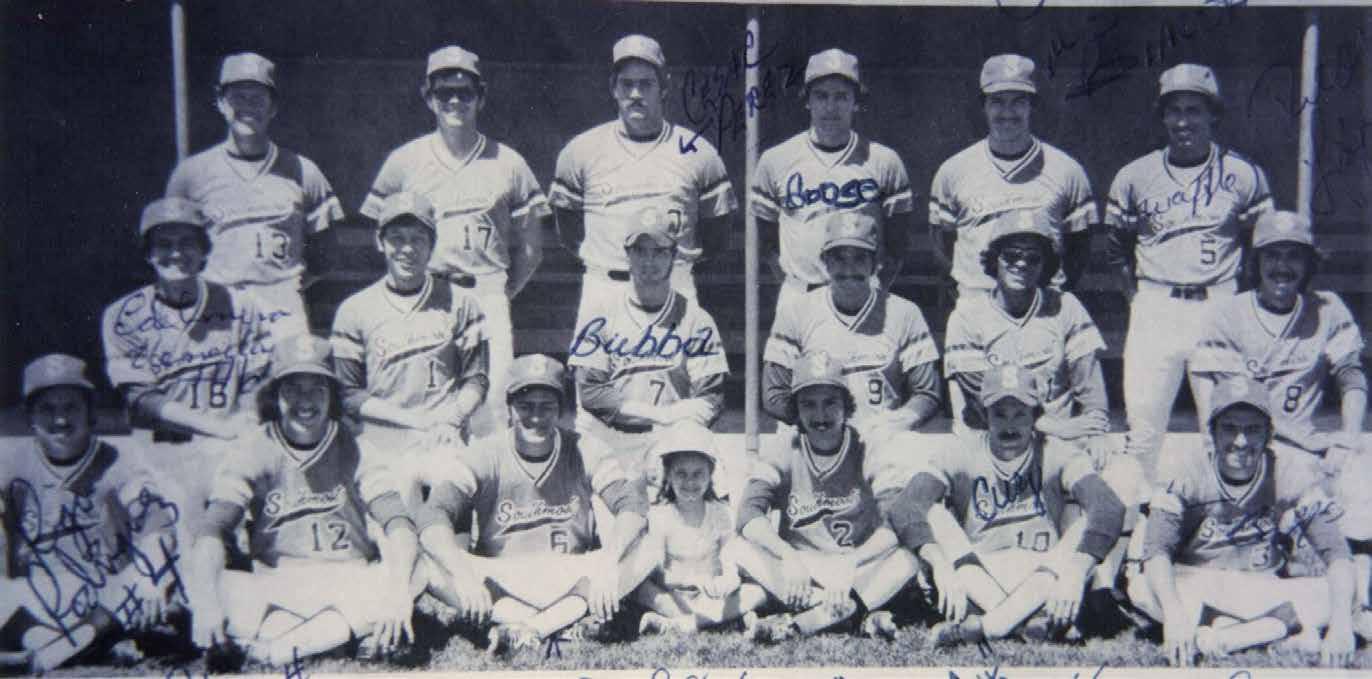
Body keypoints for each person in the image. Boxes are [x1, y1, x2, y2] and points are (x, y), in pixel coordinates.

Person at [188, 335, 421, 665]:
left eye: (317, 389)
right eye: (293, 388)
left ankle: (275, 647)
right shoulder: (252, 448)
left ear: (333, 395)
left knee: (415, 573)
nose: (305, 401)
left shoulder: (357, 447)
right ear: (275, 394)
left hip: (349, 575)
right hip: (277, 579)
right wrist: (206, 603)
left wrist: (397, 591)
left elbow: (398, 522)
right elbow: (213, 528)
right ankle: (333, 636)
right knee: (208, 579)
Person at [416, 354, 655, 656]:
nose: (536, 417)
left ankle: (526, 628)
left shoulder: (586, 449)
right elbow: (433, 513)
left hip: (571, 573)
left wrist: (609, 563)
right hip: (501, 576)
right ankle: (560, 623)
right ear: (509, 408)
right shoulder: (483, 453)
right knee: (426, 565)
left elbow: (632, 506)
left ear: (561, 409)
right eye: (526, 406)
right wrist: (462, 574)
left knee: (650, 548)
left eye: (547, 406)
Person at [360, 45, 549, 413]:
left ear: (481, 97)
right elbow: (379, 235)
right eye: (444, 93)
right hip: (427, 295)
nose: (455, 102)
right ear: (428, 97)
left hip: (486, 291)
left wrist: (498, 292)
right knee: (425, 401)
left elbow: (531, 249)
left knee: (491, 407)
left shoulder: (508, 162)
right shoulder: (404, 162)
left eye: (465, 92)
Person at [1103, 63, 1274, 467]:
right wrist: (1137, 299)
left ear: (1213, 114)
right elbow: (1115, 249)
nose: (1183, 121)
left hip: (1219, 305)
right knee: (1143, 429)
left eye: (1194, 110)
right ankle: (1139, 505)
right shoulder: (1134, 175)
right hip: (1156, 304)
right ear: (1162, 116)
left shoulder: (1244, 174)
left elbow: (1262, 247)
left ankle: (1226, 505)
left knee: (1224, 426)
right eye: (1174, 110)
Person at [886, 364, 1129, 648]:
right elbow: (906, 505)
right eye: (999, 414)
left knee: (1083, 521)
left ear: (1036, 415)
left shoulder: (1058, 453)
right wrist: (939, 564)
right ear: (983, 414)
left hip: (1044, 572)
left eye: (1020, 414)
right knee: (934, 513)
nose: (1009, 426)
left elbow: (1109, 507)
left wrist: (1076, 571)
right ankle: (1025, 621)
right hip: (979, 572)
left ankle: (990, 626)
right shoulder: (960, 451)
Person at [1127, 377, 1356, 668]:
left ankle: (1225, 634)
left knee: (1346, 592)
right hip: (1197, 580)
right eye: (1230, 428)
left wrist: (1341, 626)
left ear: (1269, 434)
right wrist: (1173, 614)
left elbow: (1336, 553)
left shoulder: (1291, 471)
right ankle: (1276, 628)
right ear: (1212, 431)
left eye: (1253, 429)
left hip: (1262, 585)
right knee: (1143, 588)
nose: (1241, 441)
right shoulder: (1186, 469)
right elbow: (1157, 550)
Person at [101, 197, 276, 549]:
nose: (176, 253)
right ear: (148, 253)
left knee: (237, 545)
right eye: (163, 244)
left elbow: (258, 380)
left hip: (228, 447)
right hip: (161, 452)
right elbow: (141, 400)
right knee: (168, 547)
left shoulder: (241, 305)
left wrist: (244, 419)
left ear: (204, 249)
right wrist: (218, 427)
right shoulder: (123, 314)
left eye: (187, 243)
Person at [0, 355, 180, 673]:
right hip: (37, 596)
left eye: (71, 407)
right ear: (30, 416)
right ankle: (79, 646)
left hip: (103, 596)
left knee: (146, 578)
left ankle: (45, 655)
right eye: (47, 409)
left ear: (90, 412)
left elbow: (157, 524)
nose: (60, 420)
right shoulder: (11, 464)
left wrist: (149, 579)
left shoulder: (119, 461)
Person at [550, 33, 737, 332]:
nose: (635, 93)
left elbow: (717, 236)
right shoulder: (581, 151)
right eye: (627, 84)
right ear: (613, 88)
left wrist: (669, 264)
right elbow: (569, 231)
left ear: (664, 87)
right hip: (606, 286)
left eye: (646, 84)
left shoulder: (698, 152)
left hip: (673, 286)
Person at [735, 351, 917, 643]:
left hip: (856, 566)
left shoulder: (867, 445)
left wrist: (853, 562)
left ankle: (802, 622)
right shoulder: (784, 446)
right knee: (739, 548)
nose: (820, 415)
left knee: (907, 558)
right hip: (803, 568)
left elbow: (899, 518)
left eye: (830, 402)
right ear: (796, 409)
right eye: (808, 404)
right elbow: (748, 513)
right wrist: (787, 555)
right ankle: (851, 613)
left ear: (846, 405)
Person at [166, 52, 343, 339]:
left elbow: (327, 255)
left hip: (281, 311)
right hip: (216, 309)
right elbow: (172, 251)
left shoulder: (304, 171)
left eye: (257, 98)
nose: (247, 107)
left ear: (273, 107)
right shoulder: (190, 175)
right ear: (221, 102)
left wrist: (286, 286)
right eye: (238, 97)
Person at [331, 192, 489, 501]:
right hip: (383, 437)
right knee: (395, 520)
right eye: (397, 238)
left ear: (432, 244)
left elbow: (477, 378)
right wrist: (416, 421)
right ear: (380, 242)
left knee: (447, 508)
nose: (407, 249)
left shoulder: (462, 302)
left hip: (443, 433)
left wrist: (452, 418)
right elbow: (348, 394)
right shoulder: (354, 309)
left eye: (418, 239)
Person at [569, 206, 728, 476]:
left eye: (659, 251)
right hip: (610, 438)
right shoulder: (598, 315)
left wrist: (672, 424)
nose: (648, 261)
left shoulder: (696, 319)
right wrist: (661, 414)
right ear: (627, 254)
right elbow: (592, 393)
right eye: (640, 250)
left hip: (668, 439)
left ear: (674, 255)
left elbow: (711, 398)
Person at [751, 47, 914, 309]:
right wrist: (791, 283)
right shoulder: (776, 159)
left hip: (863, 293)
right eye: (821, 96)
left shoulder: (884, 161)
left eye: (841, 96)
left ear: (856, 101)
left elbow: (898, 245)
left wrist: (877, 288)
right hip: (800, 293)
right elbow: (767, 241)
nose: (830, 107)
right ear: (807, 100)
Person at [763, 211, 940, 441]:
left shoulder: (905, 313)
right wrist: (823, 427)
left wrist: (897, 421)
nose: (849, 269)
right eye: (839, 258)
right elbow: (773, 394)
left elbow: (927, 392)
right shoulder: (795, 312)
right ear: (825, 262)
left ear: (875, 263)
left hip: (881, 437)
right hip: (814, 438)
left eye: (859, 258)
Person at [929, 54, 1096, 299]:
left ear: (1032, 106)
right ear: (984, 106)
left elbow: (1078, 251)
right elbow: (942, 247)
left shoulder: (1067, 170)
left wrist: (1053, 296)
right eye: (997, 101)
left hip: (1044, 304)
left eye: (1018, 101)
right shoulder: (953, 170)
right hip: (977, 301)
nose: (1007, 112)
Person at [943, 209, 1109, 439]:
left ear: (1045, 264)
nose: (1021, 264)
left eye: (1033, 258)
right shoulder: (966, 316)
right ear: (994, 259)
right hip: (991, 438)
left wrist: (1096, 429)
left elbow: (1090, 385)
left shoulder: (1066, 306)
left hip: (1060, 440)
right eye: (1011, 256)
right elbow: (980, 397)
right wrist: (1051, 427)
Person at [634, 422, 766, 635]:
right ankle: (724, 621)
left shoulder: (722, 513)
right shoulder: (659, 516)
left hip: (714, 596)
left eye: (698, 474)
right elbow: (657, 572)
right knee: (642, 590)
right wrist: (691, 581)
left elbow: (730, 561)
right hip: (675, 597)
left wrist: (727, 581)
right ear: (668, 475)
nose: (690, 482)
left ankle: (682, 625)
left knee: (758, 592)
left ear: (710, 474)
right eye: (681, 473)